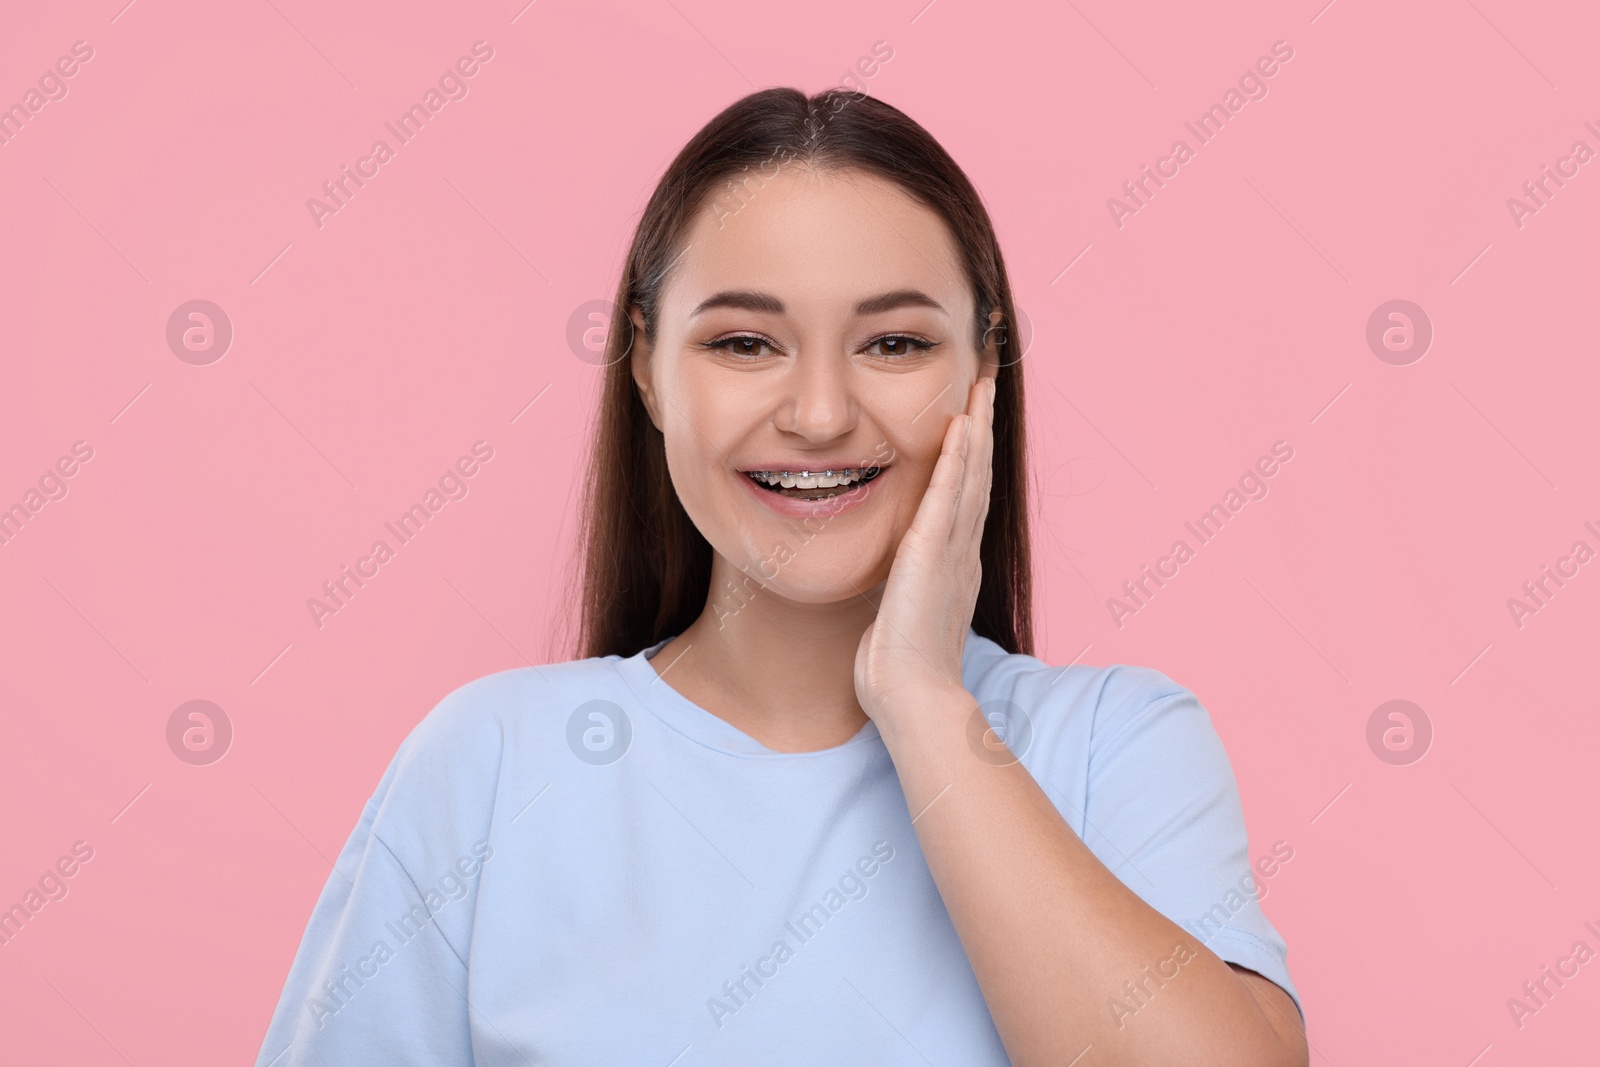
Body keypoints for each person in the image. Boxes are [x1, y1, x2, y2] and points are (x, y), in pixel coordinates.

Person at [253, 86, 1308, 1067]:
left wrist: (921, 700)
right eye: (746, 342)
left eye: (892, 342)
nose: (817, 414)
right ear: (648, 371)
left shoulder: (1114, 745)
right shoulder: (486, 765)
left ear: (982, 372)